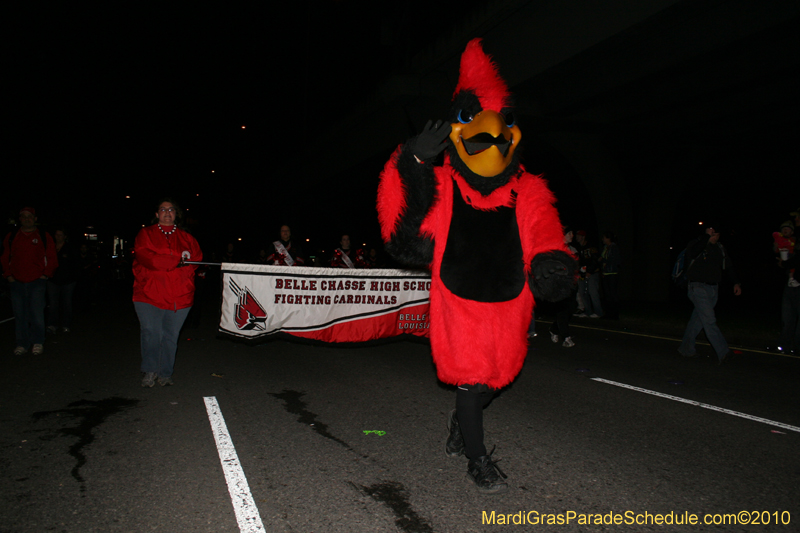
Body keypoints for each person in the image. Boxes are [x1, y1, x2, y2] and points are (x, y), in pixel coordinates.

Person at [132, 198, 202, 387]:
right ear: (157, 214)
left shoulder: (187, 238)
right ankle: (150, 370)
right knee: (151, 333)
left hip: (179, 296)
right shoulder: (145, 233)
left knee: (170, 335)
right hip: (148, 294)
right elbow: (147, 257)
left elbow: (196, 260)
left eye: (171, 209)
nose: (167, 212)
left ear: (175, 214)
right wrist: (175, 262)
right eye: (163, 209)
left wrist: (180, 269)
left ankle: (165, 373)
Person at [678, 224, 741, 364]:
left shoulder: (720, 248)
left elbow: (728, 266)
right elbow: (692, 254)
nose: (714, 237)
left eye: (716, 234)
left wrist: (736, 283)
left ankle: (686, 349)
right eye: (711, 234)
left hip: (713, 289)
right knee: (709, 320)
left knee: (698, 320)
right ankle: (724, 353)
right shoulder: (696, 244)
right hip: (697, 287)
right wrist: (706, 238)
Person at [2, 207, 58, 355]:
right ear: (20, 219)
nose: (27, 219)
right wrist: (8, 275)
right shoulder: (12, 236)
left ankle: (38, 341)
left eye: (30, 216)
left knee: (36, 313)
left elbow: (52, 257)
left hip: (36, 282)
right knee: (20, 314)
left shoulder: (43, 236)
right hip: (17, 282)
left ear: (35, 218)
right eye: (23, 217)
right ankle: (22, 343)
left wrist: (45, 275)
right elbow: (5, 256)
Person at [549, 227, 579, 347]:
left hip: (572, 284)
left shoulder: (573, 249)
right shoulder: (556, 249)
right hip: (560, 285)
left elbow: (576, 266)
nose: (572, 235)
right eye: (570, 233)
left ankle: (554, 329)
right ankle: (566, 337)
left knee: (571, 310)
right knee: (562, 311)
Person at [46, 228, 81, 334]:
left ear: (65, 236)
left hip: (68, 281)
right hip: (53, 280)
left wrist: (74, 277)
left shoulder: (70, 248)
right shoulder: (51, 248)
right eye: (56, 235)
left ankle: (66, 324)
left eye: (60, 235)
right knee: (53, 304)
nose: (58, 237)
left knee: (67, 303)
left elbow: (76, 264)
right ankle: (53, 324)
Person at [773, 221, 799, 354]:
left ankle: (796, 346)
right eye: (784, 229)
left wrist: (786, 263)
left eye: (789, 229)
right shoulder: (781, 240)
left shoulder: (795, 241)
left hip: (797, 282)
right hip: (789, 283)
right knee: (787, 316)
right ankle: (784, 345)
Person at [574, 230, 603, 318]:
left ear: (583, 237)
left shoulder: (591, 247)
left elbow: (595, 260)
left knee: (592, 292)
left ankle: (598, 312)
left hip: (592, 273)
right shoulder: (579, 248)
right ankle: (588, 311)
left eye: (579, 235)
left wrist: (589, 271)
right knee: (582, 292)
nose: (577, 237)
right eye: (577, 235)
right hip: (582, 273)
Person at [600, 231, 621, 319]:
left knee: (612, 294)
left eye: (604, 237)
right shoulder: (606, 247)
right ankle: (608, 313)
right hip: (606, 273)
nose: (603, 239)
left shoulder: (613, 247)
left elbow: (614, 260)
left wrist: (603, 260)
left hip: (612, 273)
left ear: (608, 238)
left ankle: (614, 314)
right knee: (607, 294)